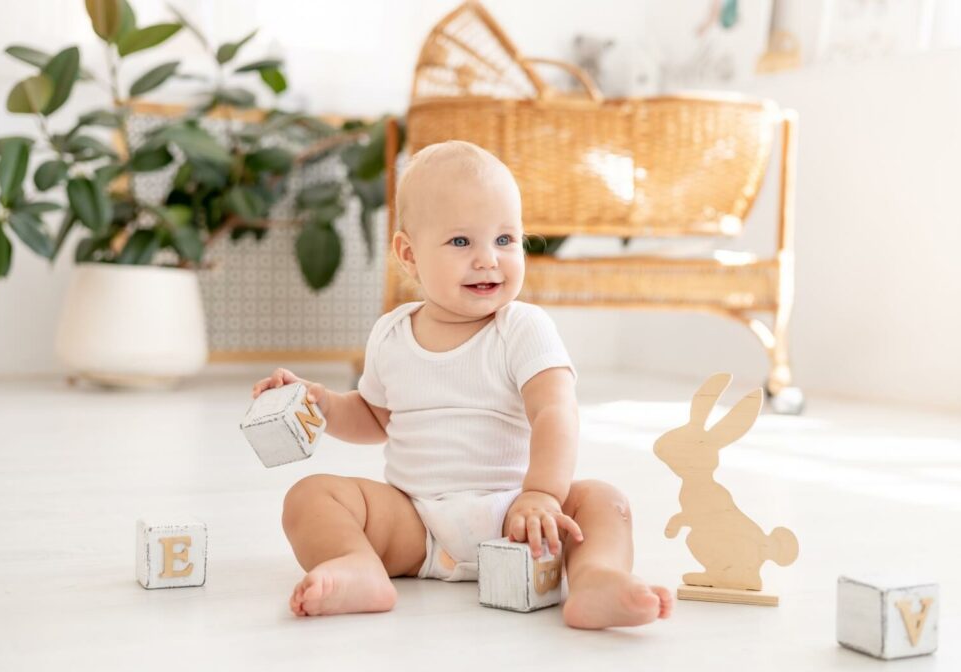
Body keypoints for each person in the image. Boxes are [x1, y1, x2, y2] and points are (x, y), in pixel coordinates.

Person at [252, 140, 671, 629]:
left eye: (505, 240)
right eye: (460, 242)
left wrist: (542, 495)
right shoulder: (390, 334)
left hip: (520, 518)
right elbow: (372, 417)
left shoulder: (522, 328)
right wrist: (318, 403)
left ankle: (597, 578)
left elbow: (555, 413)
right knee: (309, 496)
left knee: (604, 501)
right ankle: (358, 566)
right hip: (416, 524)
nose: (488, 260)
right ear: (409, 255)